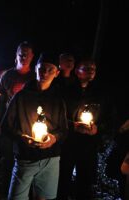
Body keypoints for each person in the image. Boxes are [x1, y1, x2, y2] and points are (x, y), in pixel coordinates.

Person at [2, 52, 68, 200]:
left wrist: (53, 138)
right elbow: (6, 125)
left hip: (50, 159)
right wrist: (22, 137)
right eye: (42, 68)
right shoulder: (21, 96)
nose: (45, 73)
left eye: (50, 69)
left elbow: (64, 130)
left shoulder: (58, 100)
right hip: (25, 157)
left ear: (57, 73)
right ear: (35, 69)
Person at [58, 57, 114, 199]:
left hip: (88, 145)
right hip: (68, 143)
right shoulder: (67, 91)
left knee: (84, 184)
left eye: (93, 69)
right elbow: (57, 115)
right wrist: (72, 126)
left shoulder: (100, 94)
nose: (91, 71)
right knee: (62, 180)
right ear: (77, 71)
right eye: (86, 68)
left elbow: (108, 118)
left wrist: (97, 129)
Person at [0, 41, 35, 195]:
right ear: (16, 55)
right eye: (21, 54)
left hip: (28, 126)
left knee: (25, 161)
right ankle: (6, 191)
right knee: (8, 160)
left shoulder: (34, 77)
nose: (23, 57)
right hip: (9, 125)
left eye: (27, 54)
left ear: (32, 56)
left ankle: (22, 192)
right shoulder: (8, 75)